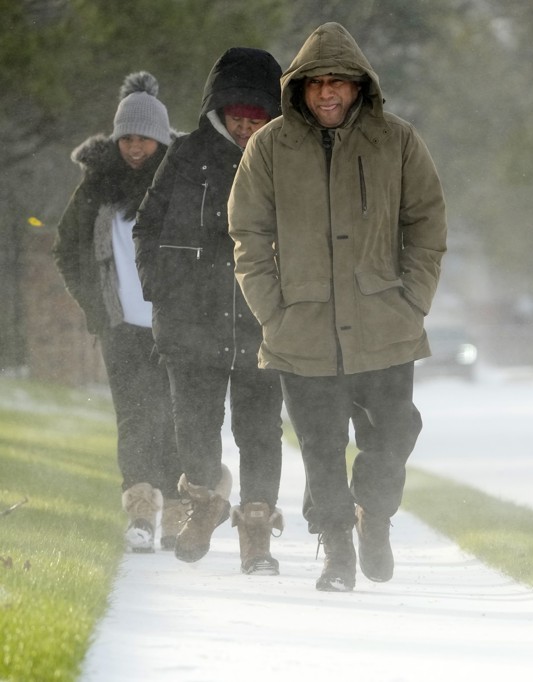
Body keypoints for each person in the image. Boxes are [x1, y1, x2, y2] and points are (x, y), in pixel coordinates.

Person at [228, 22, 447, 592]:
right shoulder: (268, 147)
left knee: (394, 432)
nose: (328, 92)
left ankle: (374, 514)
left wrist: (412, 301)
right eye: (317, 82)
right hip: (301, 327)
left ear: (360, 87)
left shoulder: (398, 141)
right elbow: (247, 234)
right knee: (321, 447)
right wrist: (272, 310)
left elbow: (426, 225)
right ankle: (337, 552)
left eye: (340, 82)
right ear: (299, 88)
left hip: (384, 325)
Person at [134, 48, 286, 575]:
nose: (246, 127)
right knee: (195, 428)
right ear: (219, 111)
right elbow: (147, 225)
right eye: (238, 116)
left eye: (257, 117)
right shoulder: (185, 154)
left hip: (262, 322)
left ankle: (257, 530)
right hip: (189, 322)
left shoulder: (287, 158)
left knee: (260, 432)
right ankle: (205, 501)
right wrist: (160, 288)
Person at [53, 72, 184, 553]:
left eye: (144, 139)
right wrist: (95, 306)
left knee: (174, 417)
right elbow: (67, 250)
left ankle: (177, 511)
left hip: (175, 325)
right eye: (127, 138)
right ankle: (141, 511)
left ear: (161, 139)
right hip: (121, 325)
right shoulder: (96, 188)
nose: (134, 148)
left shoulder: (182, 184)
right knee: (133, 417)